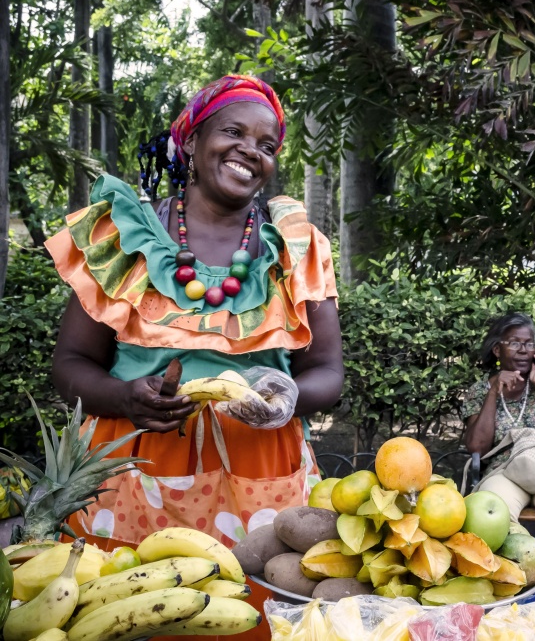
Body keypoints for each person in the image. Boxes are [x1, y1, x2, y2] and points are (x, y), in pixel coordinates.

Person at [46, 75, 342, 640]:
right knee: (124, 615)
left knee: (255, 618)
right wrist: (122, 398)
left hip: (261, 472)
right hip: (129, 474)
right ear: (190, 142)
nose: (249, 151)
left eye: (266, 144)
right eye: (233, 132)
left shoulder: (296, 248)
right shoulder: (121, 236)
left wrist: (287, 398)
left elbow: (328, 371)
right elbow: (70, 363)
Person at [462, 313, 535, 521]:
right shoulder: (479, 391)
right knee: (491, 515)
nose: (523, 350)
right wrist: (494, 391)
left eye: (529, 344)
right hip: (504, 473)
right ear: (497, 350)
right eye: (514, 343)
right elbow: (477, 447)